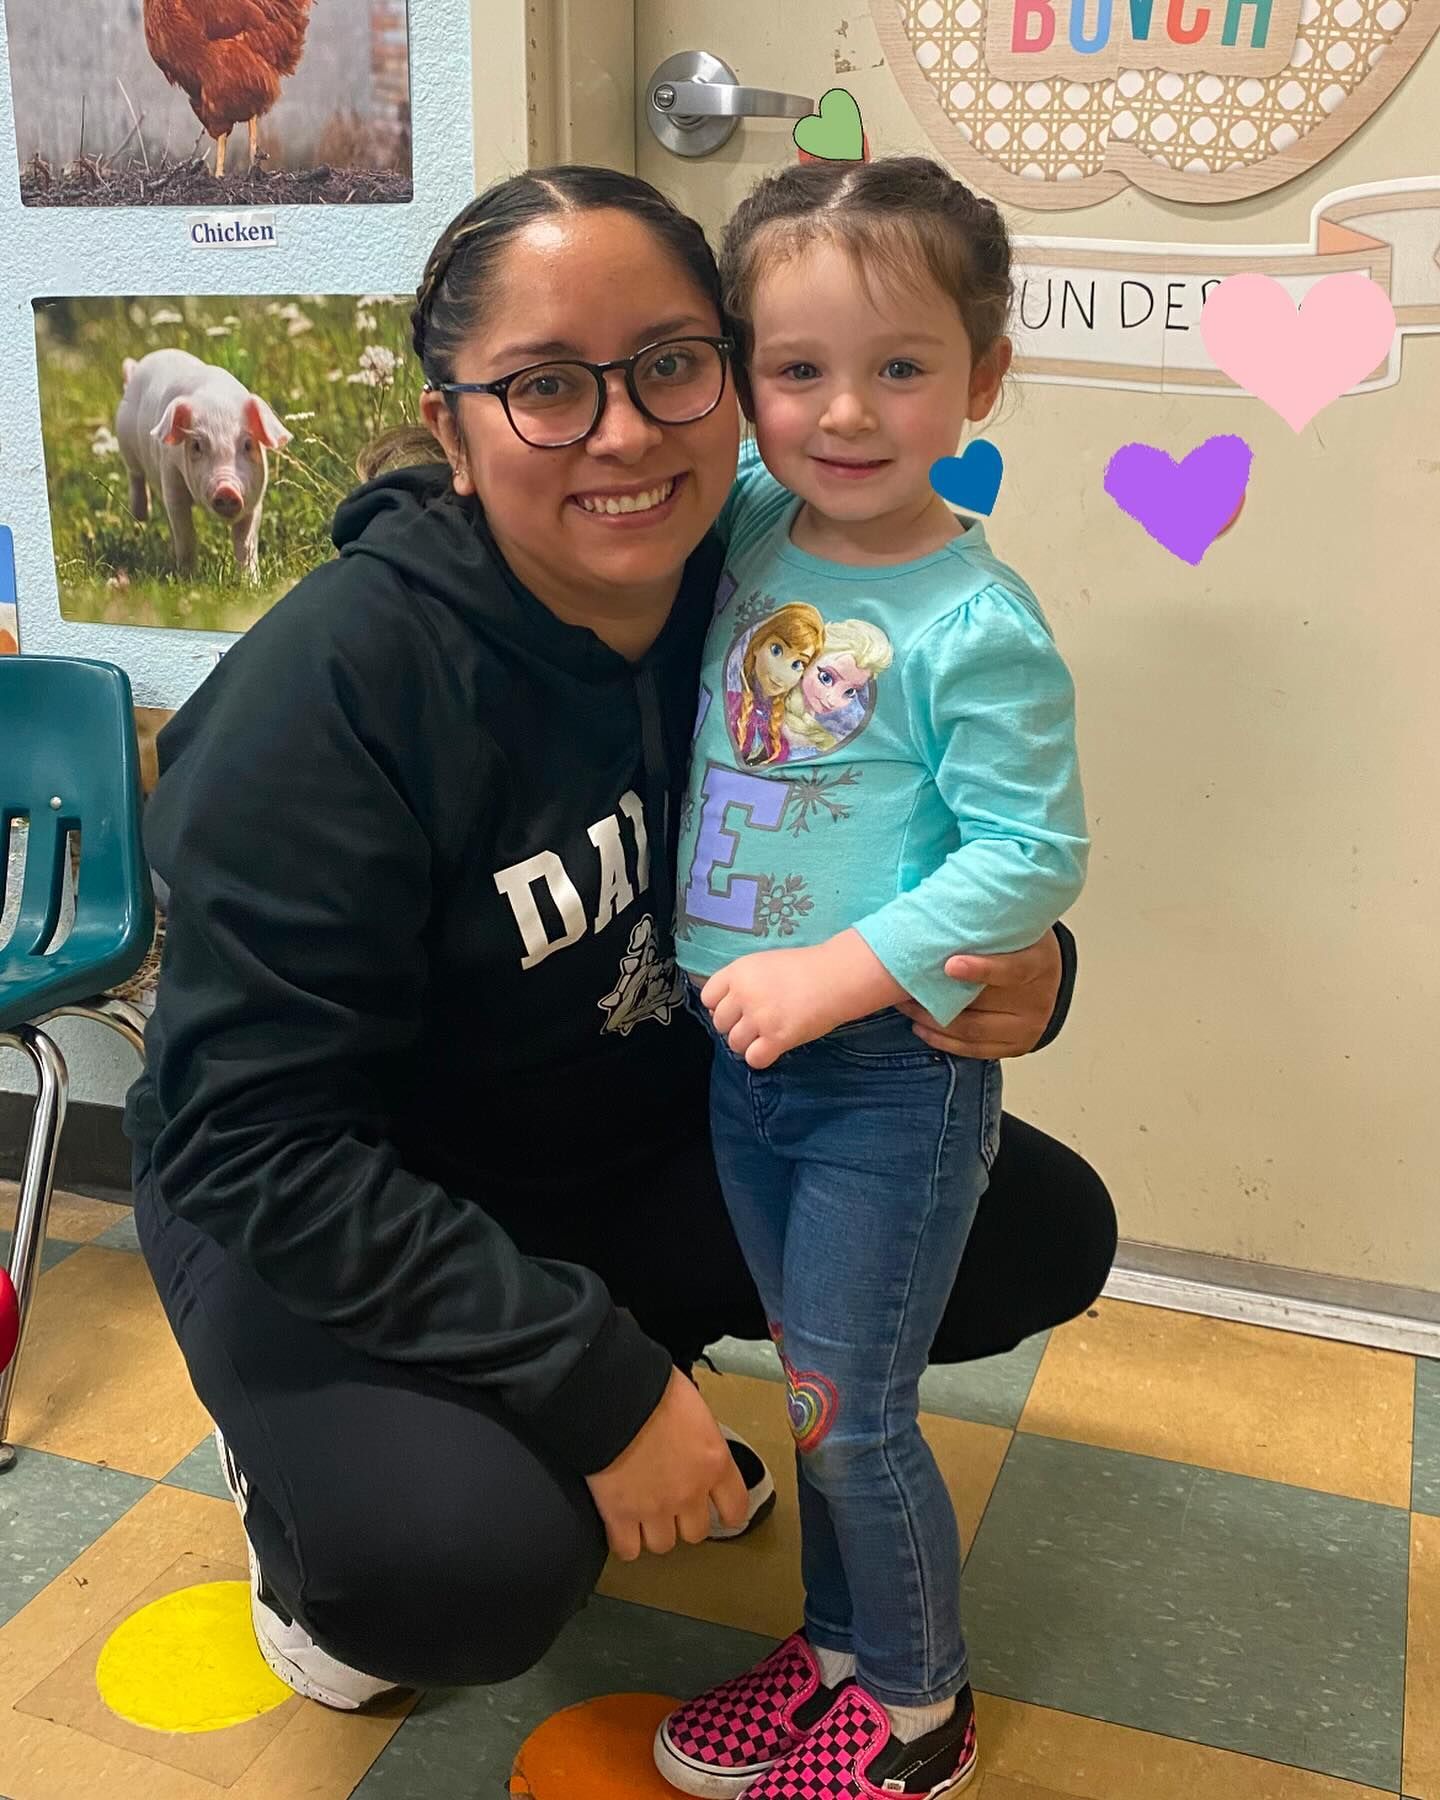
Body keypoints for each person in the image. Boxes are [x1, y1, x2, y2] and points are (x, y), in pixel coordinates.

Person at [123, 164, 1117, 1717]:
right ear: (451, 424)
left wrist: (1024, 979)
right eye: (542, 388)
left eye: (669, 364)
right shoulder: (331, 697)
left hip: (615, 1126)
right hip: (324, 1194)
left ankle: (610, 1345)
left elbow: (924, 825)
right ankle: (315, 1494)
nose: (624, 433)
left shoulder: (763, 578)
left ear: (730, 375)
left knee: (1031, 1223)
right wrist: (593, 1387)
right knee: (457, 1572)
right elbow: (254, 1141)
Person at [656, 156, 1086, 1800]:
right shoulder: (760, 523)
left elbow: (1029, 855)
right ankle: (836, 1652)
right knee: (813, 1384)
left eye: (901, 367)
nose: (846, 413)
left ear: (982, 378)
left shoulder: (978, 622)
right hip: (746, 1062)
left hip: (884, 1077)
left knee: (855, 1410)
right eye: (797, 368)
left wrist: (839, 973)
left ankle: (917, 1710)